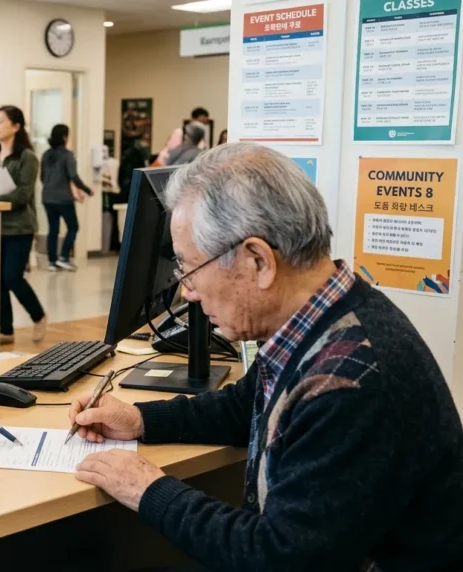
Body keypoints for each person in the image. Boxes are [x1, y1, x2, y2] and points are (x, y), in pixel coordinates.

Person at [69, 143, 463, 570]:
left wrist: (149, 489)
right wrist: (142, 420)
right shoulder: (325, 318)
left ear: (258, 260)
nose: (186, 291)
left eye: (189, 268)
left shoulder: (350, 378)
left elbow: (279, 558)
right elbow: (246, 405)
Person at [0, 105, 47, 345]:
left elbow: (23, 194)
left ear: (16, 126)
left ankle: (39, 316)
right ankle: (5, 329)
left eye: (1, 121)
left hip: (19, 228)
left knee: (12, 277)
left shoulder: (27, 157)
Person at [41, 124, 91, 272]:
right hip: (63, 199)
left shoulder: (46, 154)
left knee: (53, 229)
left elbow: (42, 177)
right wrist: (87, 190)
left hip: (47, 198)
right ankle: (64, 257)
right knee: (73, 227)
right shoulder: (67, 155)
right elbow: (73, 177)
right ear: (65, 137)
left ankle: (52, 261)